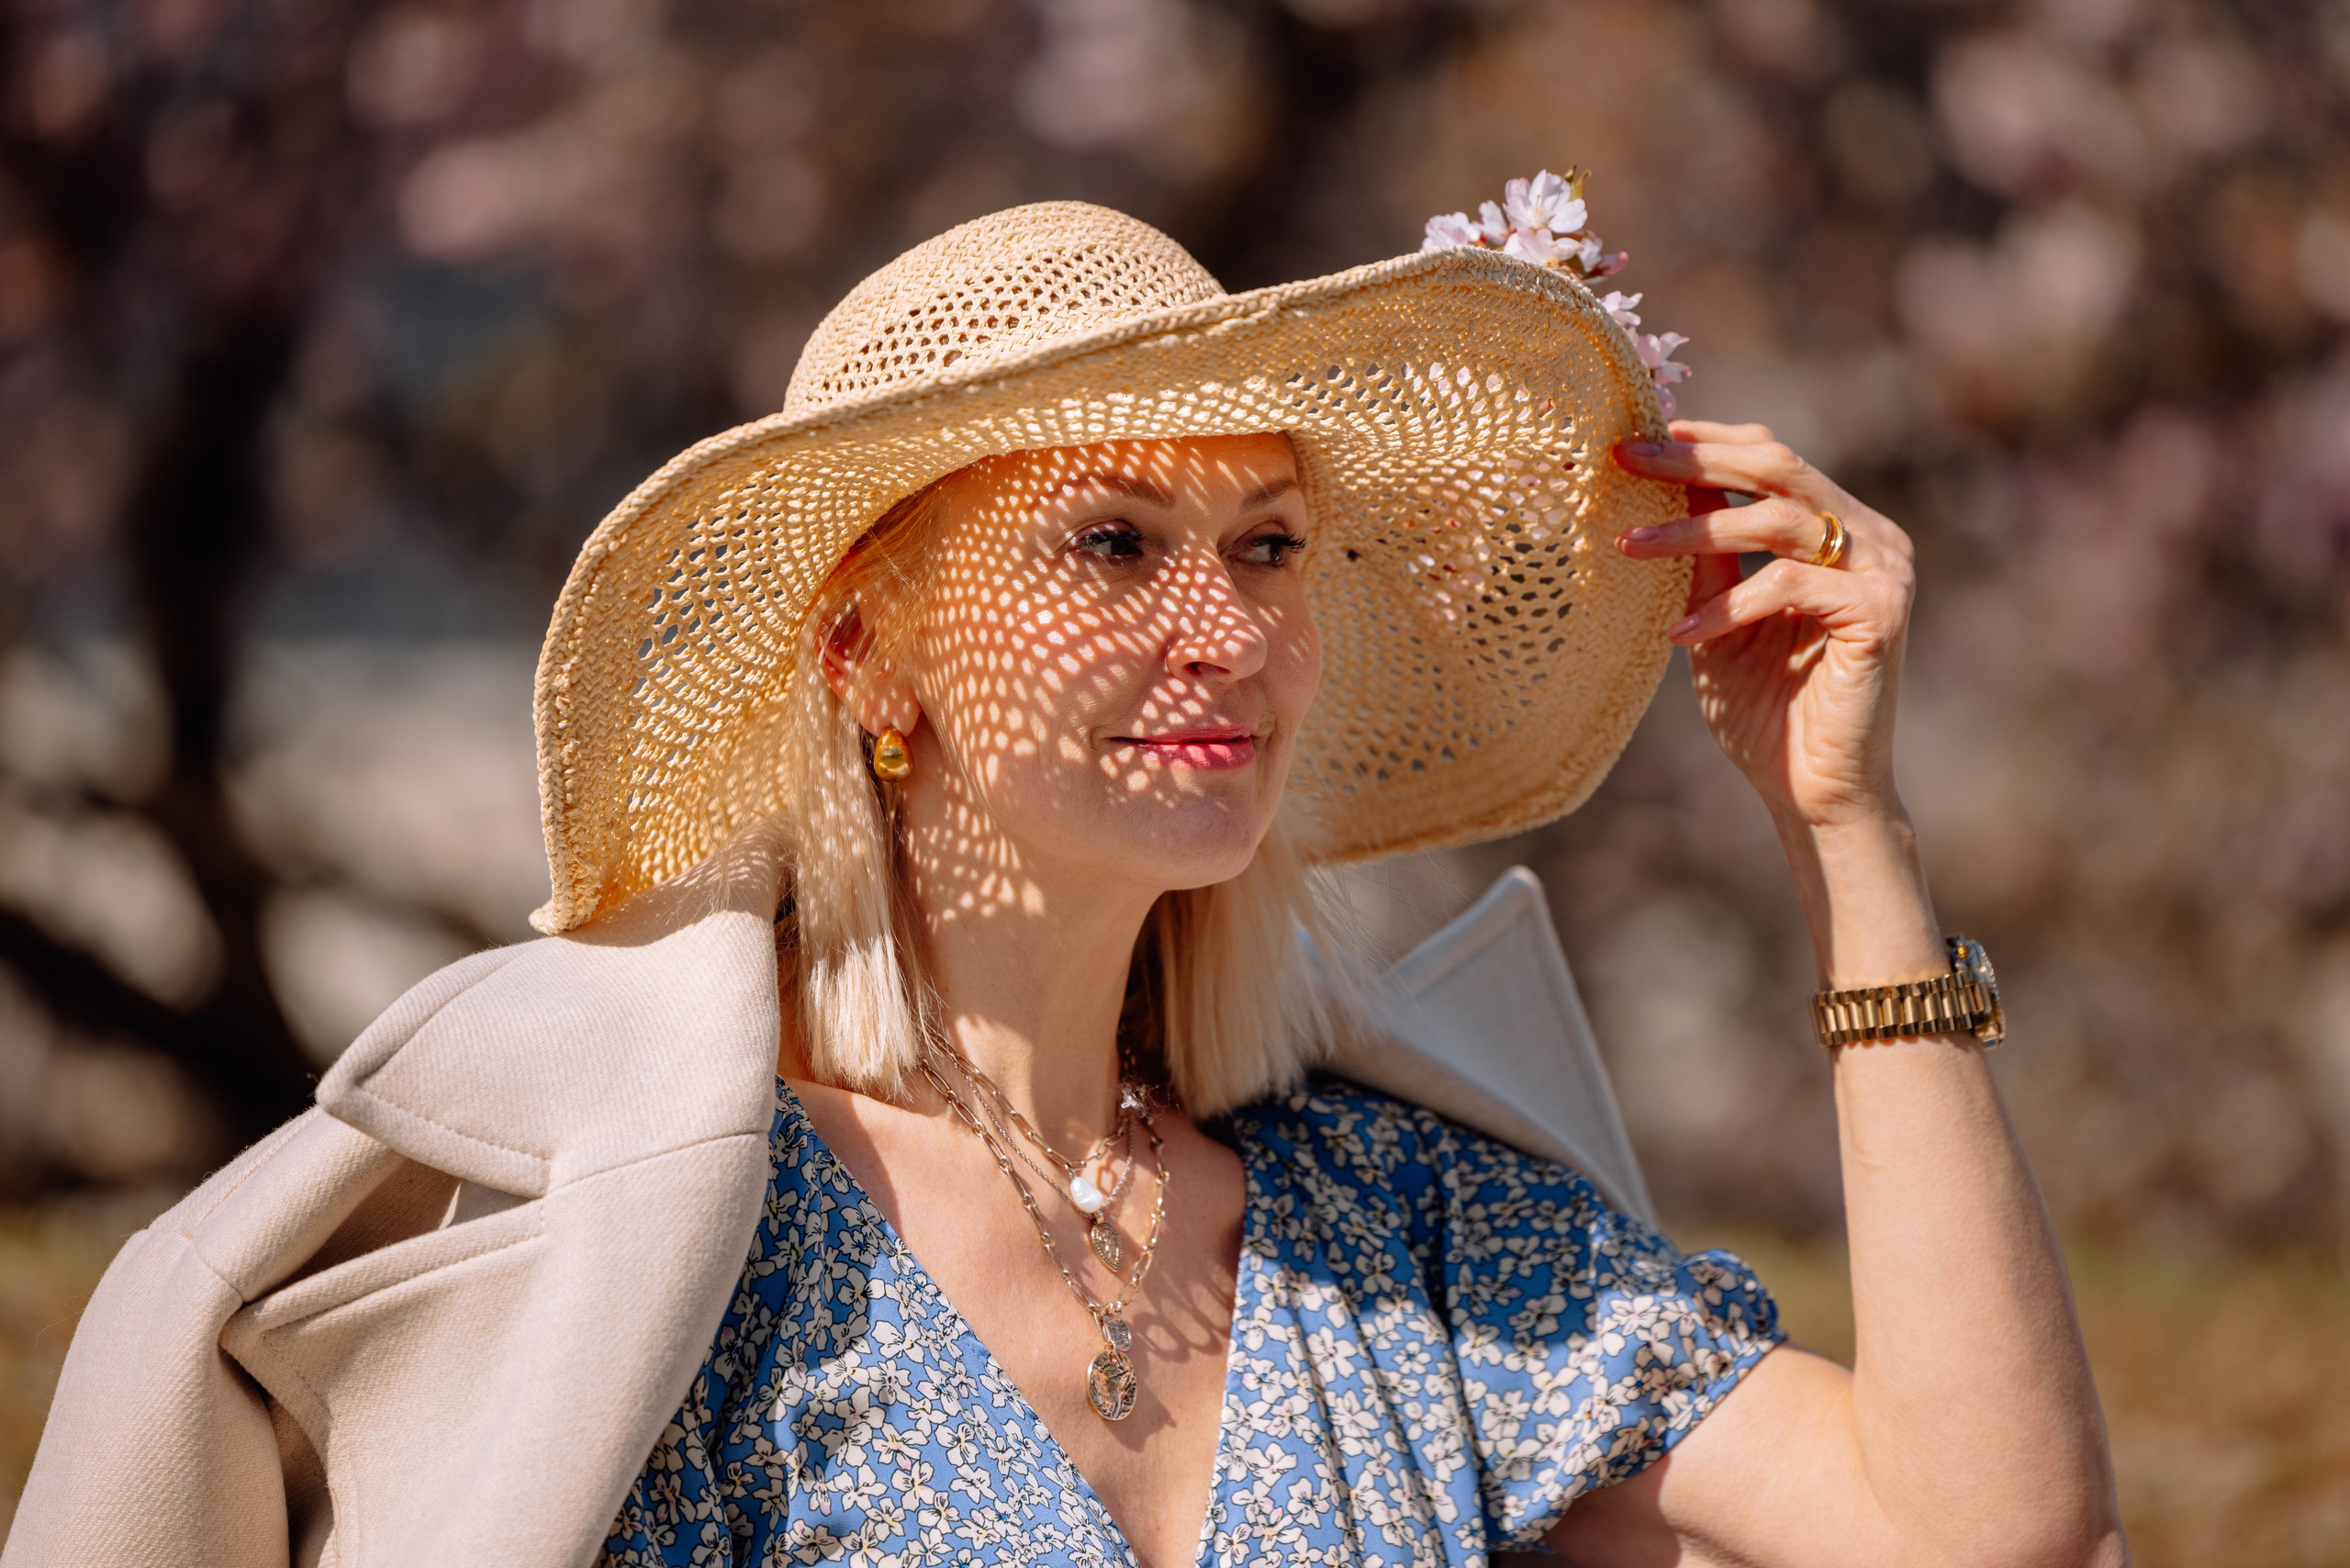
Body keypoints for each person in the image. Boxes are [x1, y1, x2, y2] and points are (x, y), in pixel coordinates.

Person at [5, 201, 2126, 1568]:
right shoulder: (666, 1237)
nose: (1221, 628)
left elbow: (1984, 1531)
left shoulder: (1405, 1235)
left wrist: (1842, 833)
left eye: (1268, 546)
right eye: (1112, 544)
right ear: (865, 652)